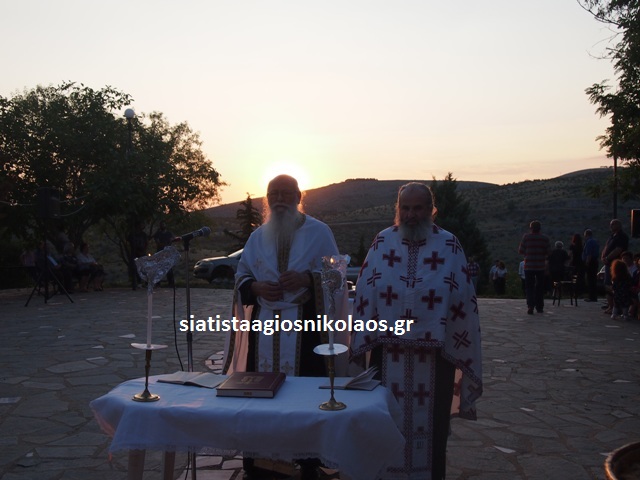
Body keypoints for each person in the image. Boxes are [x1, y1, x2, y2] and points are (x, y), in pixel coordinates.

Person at [350, 182, 482, 480]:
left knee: (432, 430)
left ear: (431, 209)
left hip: (436, 358)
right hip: (388, 354)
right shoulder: (382, 242)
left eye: (418, 208)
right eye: (405, 208)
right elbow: (366, 292)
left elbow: (463, 299)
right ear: (398, 209)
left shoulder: (449, 245)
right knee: (385, 422)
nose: (411, 215)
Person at [222, 174, 339, 480]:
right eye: (273, 193)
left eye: (286, 193)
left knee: (303, 395)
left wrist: (307, 279)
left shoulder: (319, 232)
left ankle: (306, 463)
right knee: (258, 394)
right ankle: (259, 463)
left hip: (306, 327)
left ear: (299, 197)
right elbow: (241, 276)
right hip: (263, 327)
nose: (279, 199)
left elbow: (336, 275)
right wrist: (256, 287)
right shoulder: (257, 236)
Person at [518, 220, 551, 315]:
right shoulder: (545, 238)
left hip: (529, 266)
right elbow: (549, 252)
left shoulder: (526, 237)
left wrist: (528, 253)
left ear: (531, 228)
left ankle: (530, 306)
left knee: (529, 287)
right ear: (540, 228)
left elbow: (520, 251)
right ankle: (539, 307)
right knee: (540, 287)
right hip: (540, 266)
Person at [601, 219, 629, 314]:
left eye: (613, 224)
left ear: (619, 225)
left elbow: (618, 249)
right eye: (611, 224)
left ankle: (615, 307)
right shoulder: (612, 236)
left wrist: (608, 257)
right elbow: (606, 247)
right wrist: (603, 256)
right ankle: (610, 306)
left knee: (613, 285)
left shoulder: (622, 236)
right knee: (607, 284)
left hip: (616, 264)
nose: (611, 226)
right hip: (608, 264)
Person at [152, 221, 175, 287]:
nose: (162, 226)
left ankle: (171, 283)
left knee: (169, 268)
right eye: (161, 225)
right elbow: (157, 242)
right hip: (160, 252)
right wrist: (164, 245)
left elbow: (171, 240)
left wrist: (167, 246)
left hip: (167, 253)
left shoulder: (169, 233)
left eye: (163, 224)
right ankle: (158, 283)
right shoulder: (158, 234)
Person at [582, 229, 600, 302]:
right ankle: (594, 296)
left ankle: (591, 297)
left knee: (590, 279)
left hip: (591, 262)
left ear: (586, 234)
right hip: (595, 261)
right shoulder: (595, 241)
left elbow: (589, 253)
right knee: (593, 279)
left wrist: (587, 262)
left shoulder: (589, 242)